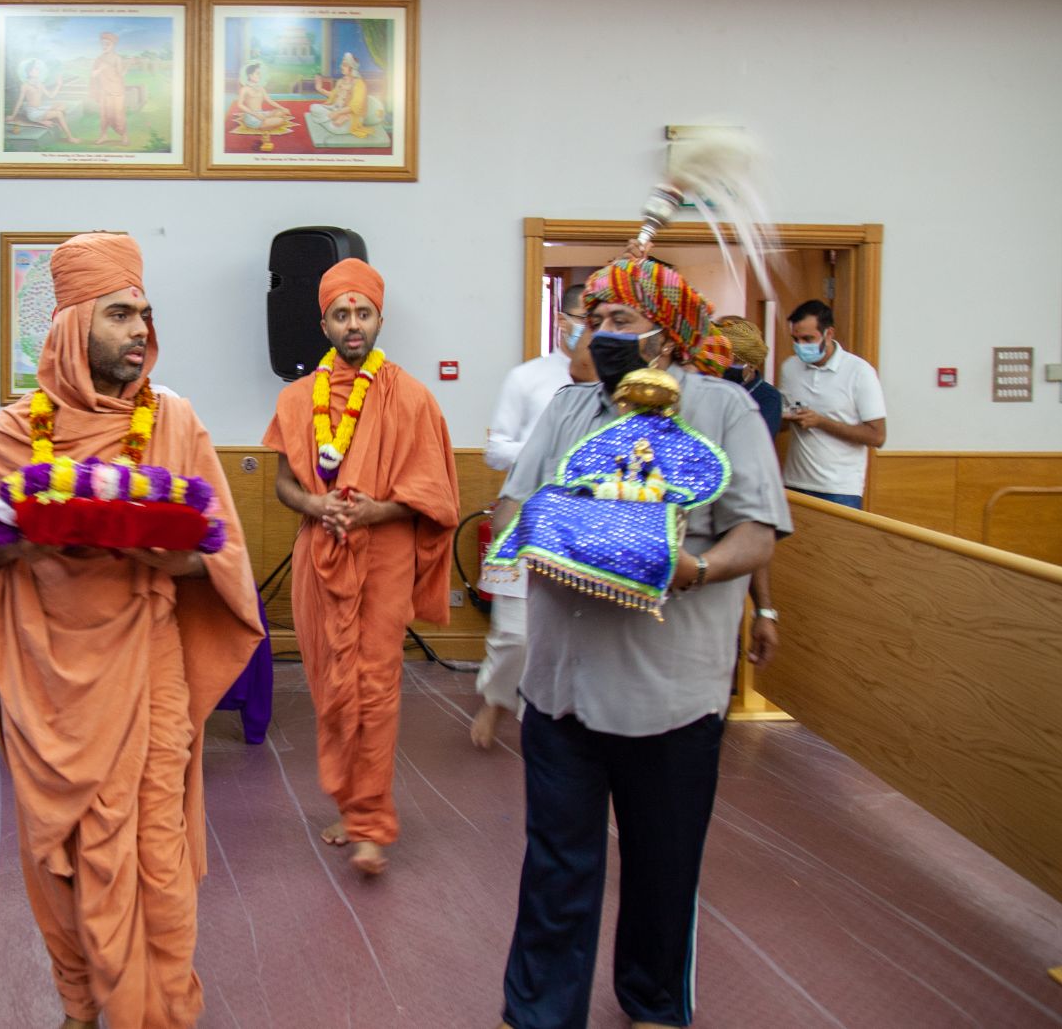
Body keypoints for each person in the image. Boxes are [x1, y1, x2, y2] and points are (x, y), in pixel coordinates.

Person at [0, 233, 264, 1029]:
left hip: (149, 673)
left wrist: (156, 542)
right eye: (119, 313)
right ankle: (81, 1005)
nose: (140, 329)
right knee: (62, 860)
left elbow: (221, 555)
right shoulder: (13, 434)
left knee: (159, 857)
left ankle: (162, 1010)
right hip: (44, 681)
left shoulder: (176, 421)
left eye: (145, 312)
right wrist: (31, 537)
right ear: (73, 328)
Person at [495, 253, 791, 1029]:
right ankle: (537, 1011)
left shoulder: (725, 411)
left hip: (673, 692)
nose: (601, 335)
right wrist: (560, 531)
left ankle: (653, 1003)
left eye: (620, 320)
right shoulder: (569, 408)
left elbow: (757, 534)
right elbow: (512, 507)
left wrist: (687, 566)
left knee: (663, 867)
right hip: (560, 686)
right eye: (594, 320)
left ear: (669, 337)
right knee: (556, 864)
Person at [262, 258, 459, 876]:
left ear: (380, 319)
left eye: (363, 313)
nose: (353, 324)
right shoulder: (296, 399)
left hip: (386, 557)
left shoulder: (412, 397)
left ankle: (373, 824)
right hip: (318, 558)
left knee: (375, 686)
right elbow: (284, 482)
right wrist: (316, 504)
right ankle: (351, 807)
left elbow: (434, 494)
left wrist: (377, 512)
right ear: (323, 323)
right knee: (329, 687)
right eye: (341, 314)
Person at [470, 283, 585, 749]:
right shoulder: (528, 377)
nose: (590, 328)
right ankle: (496, 700)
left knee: (574, 625)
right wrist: (548, 453)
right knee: (515, 632)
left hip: (581, 521)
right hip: (526, 516)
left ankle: (562, 717)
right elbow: (495, 450)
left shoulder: (611, 385)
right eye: (583, 317)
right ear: (562, 320)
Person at [712, 315, 781, 664]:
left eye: (735, 364)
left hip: (730, 521)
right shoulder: (698, 394)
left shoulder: (764, 401)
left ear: (751, 365)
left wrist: (764, 610)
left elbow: (743, 470)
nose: (727, 370)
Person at [778, 298, 887, 509]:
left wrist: (820, 422)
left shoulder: (859, 372)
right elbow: (781, 423)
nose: (801, 346)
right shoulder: (790, 367)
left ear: (829, 334)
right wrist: (785, 417)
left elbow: (877, 436)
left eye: (808, 338)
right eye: (796, 339)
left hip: (840, 489)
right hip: (794, 483)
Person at [8, 59, 77, 142]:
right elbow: (19, 102)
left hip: (41, 108)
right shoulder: (25, 85)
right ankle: (70, 137)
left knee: (62, 105)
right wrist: (13, 115)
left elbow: (51, 96)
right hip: (34, 113)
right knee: (59, 114)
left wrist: (59, 85)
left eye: (38, 69)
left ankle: (51, 120)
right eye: (35, 69)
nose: (38, 71)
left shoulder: (40, 84)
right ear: (30, 72)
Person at [308, 53, 371, 138]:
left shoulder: (359, 83)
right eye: (342, 64)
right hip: (335, 109)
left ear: (352, 68)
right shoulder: (341, 81)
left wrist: (338, 113)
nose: (341, 66)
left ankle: (332, 119)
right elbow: (333, 96)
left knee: (334, 127)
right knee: (313, 107)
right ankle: (333, 119)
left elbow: (356, 106)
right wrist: (320, 89)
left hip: (350, 115)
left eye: (344, 65)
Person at [90, 32, 128, 145]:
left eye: (107, 44)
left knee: (118, 114)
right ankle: (103, 136)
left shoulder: (117, 58)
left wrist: (128, 66)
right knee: (104, 114)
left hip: (116, 90)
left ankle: (124, 136)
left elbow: (121, 75)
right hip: (104, 91)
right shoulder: (99, 59)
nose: (104, 46)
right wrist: (100, 69)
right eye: (103, 44)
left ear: (113, 45)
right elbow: (93, 75)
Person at [233, 61, 292, 131]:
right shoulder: (244, 89)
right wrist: (255, 114)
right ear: (250, 75)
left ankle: (267, 121)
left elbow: (270, 101)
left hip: (261, 113)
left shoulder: (261, 88)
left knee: (281, 112)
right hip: (251, 116)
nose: (260, 76)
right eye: (257, 74)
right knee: (280, 121)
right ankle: (265, 124)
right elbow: (240, 105)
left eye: (260, 74)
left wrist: (283, 108)